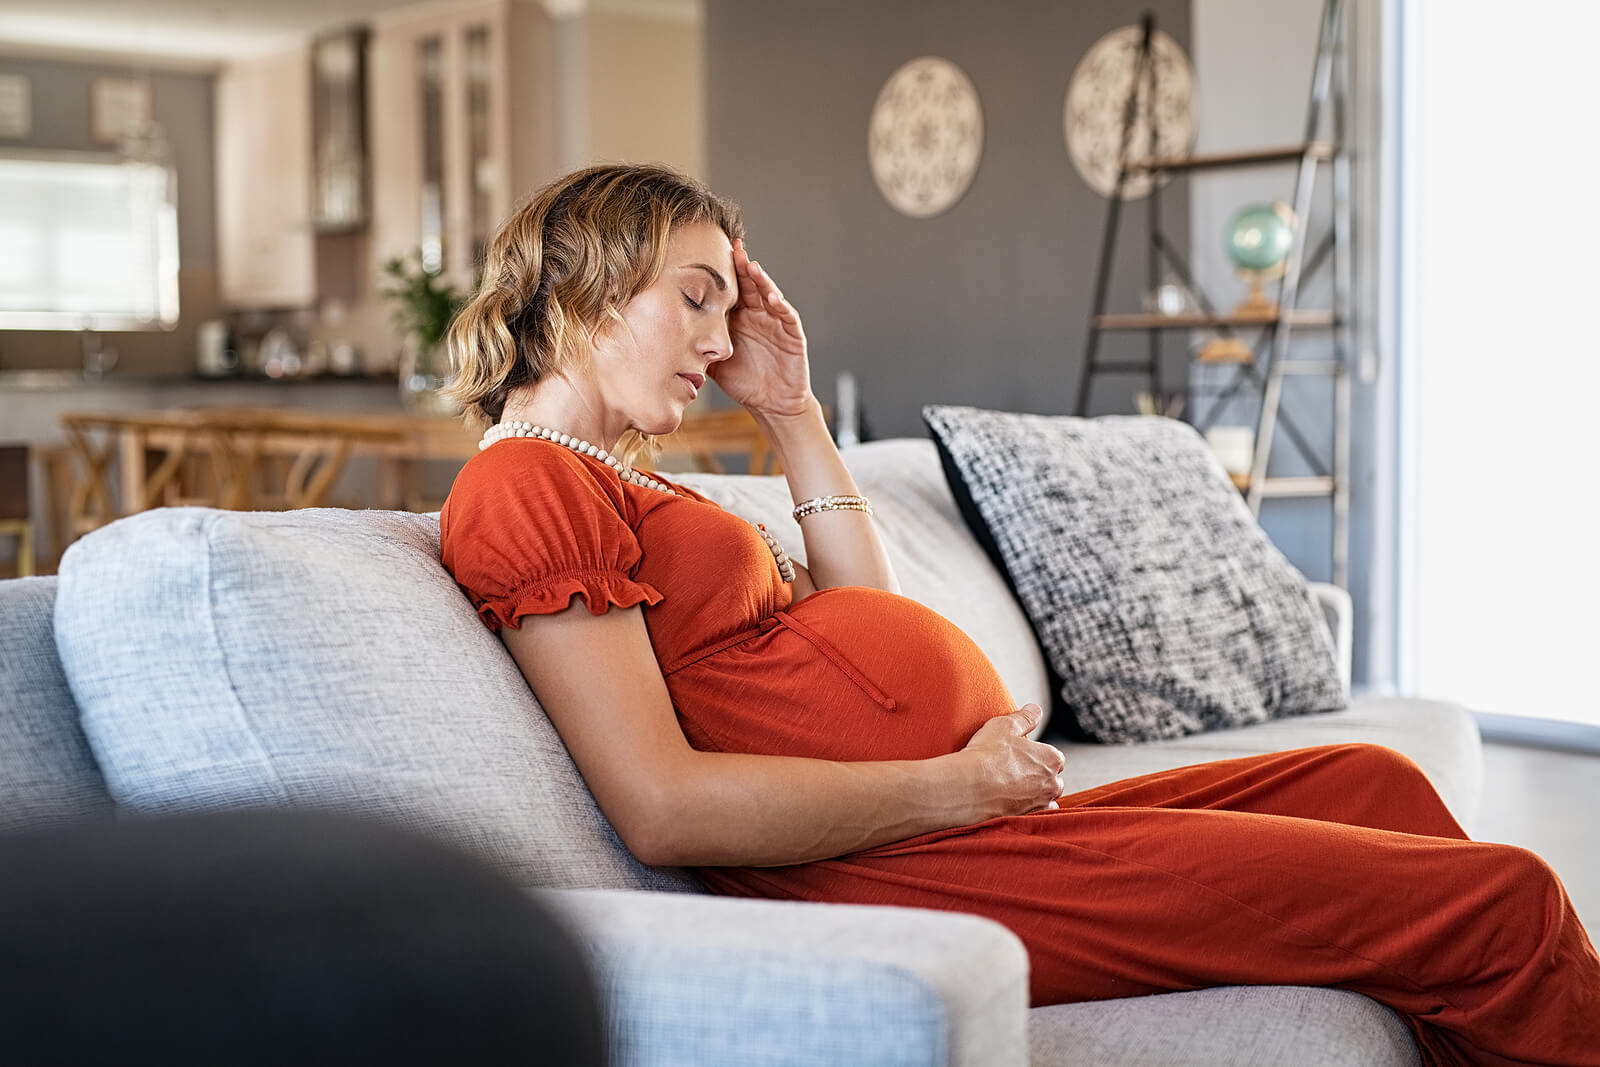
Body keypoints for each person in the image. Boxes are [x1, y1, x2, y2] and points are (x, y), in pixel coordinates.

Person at [437, 162, 1599, 1067]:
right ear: (587, 287)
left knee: (1374, 782)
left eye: (727, 307)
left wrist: (792, 413)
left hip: (970, 824)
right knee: (1508, 903)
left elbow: (864, 621)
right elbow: (661, 806)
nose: (717, 340)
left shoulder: (632, 477)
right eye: (695, 300)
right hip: (892, 865)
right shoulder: (525, 481)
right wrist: (956, 785)